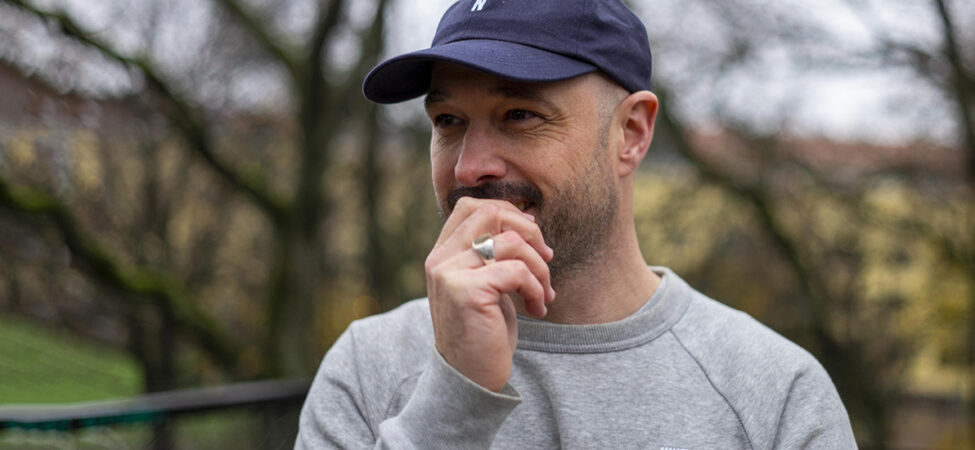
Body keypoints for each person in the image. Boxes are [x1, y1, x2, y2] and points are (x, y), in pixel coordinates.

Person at [297, 0, 857, 448]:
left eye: (519, 115)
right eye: (448, 120)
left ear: (631, 132)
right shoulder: (369, 367)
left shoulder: (773, 393)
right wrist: (454, 401)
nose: (469, 167)